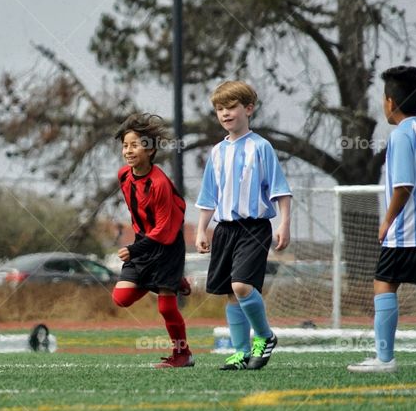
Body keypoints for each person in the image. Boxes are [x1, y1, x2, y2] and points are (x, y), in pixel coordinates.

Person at [195, 80, 292, 371]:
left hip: (254, 228)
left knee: (242, 285)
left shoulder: (261, 147)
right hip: (224, 230)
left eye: (232, 107)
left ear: (248, 109)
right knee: (230, 291)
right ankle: (240, 353)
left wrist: (284, 224)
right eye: (220, 109)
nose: (225, 113)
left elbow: (281, 191)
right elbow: (208, 196)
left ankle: (265, 336)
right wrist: (201, 229)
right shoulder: (216, 152)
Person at [349, 65, 416, 373]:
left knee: (384, 284)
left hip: (407, 232)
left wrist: (387, 221)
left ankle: (384, 359)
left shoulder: (402, 135)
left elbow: (404, 185)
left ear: (390, 102)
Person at [113, 113, 193, 368]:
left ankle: (183, 355)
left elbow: (162, 230)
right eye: (125, 145)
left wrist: (134, 249)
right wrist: (138, 245)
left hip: (167, 246)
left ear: (149, 150)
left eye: (134, 145)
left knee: (166, 309)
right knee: (121, 298)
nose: (128, 150)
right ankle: (168, 282)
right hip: (145, 243)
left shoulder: (159, 184)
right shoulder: (124, 176)